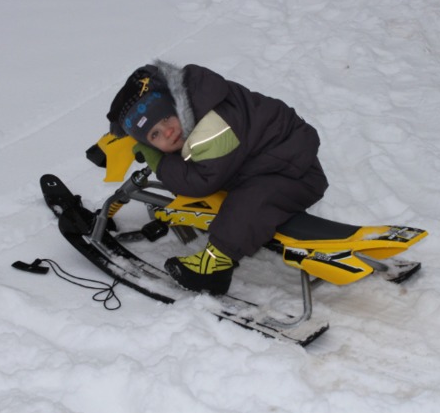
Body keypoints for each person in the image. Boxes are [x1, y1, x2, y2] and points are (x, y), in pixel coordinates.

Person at [107, 60, 328, 295]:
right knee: (232, 189)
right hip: (263, 157)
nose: (168, 131)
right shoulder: (198, 102)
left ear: (179, 105)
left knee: (249, 204)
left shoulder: (211, 129)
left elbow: (200, 181)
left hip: (293, 171)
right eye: (155, 134)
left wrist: (158, 160)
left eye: (166, 119)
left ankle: (214, 267)